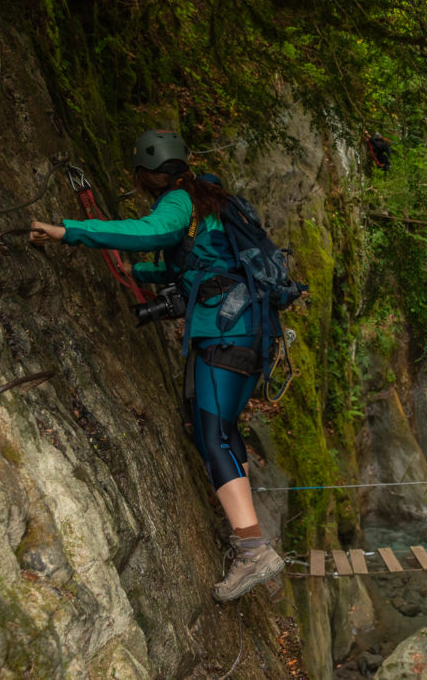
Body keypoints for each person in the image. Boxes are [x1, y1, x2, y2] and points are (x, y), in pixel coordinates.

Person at [29, 129, 285, 601]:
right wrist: (139, 272)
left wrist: (70, 231)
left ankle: (253, 550)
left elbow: (153, 232)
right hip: (253, 330)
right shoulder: (211, 200)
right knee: (224, 432)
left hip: (224, 332)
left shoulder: (180, 201)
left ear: (147, 174)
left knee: (211, 435)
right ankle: (249, 539)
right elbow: (192, 264)